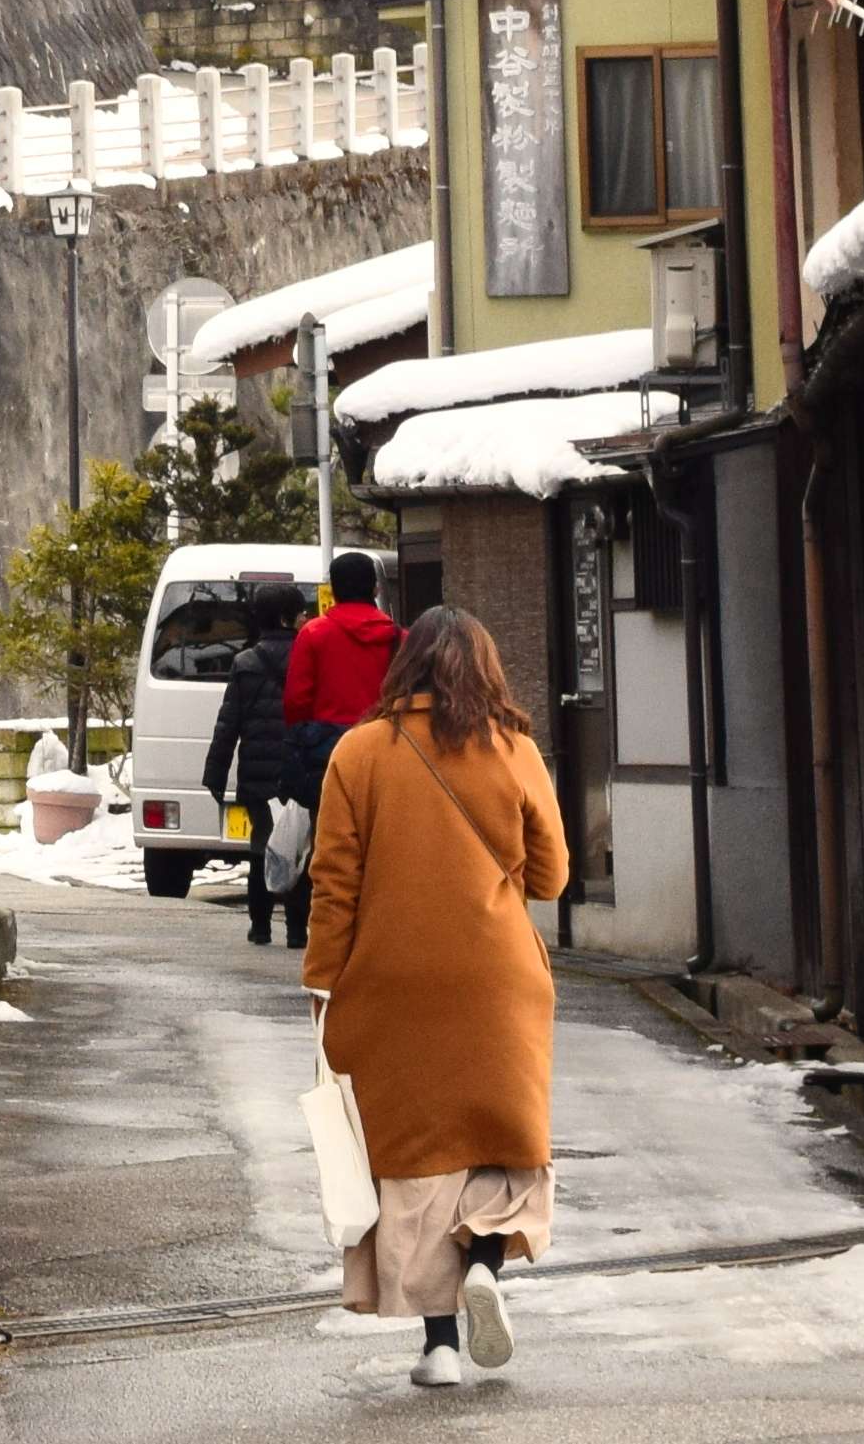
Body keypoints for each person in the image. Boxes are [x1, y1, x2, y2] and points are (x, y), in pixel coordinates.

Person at [298, 601, 569, 1391]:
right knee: (505, 1145)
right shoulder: (513, 749)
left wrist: (321, 981)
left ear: (404, 666)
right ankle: (486, 1262)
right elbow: (551, 875)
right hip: (499, 983)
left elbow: (334, 884)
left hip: (391, 988)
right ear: (485, 670)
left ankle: (441, 1345)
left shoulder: (358, 752)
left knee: (422, 1167)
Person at [248, 550, 399, 949]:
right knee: (377, 841)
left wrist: (304, 743)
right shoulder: (396, 637)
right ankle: (374, 925)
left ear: (332, 590)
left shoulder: (313, 635)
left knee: (322, 841)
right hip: (383, 750)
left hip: (325, 754)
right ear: (375, 587)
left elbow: (296, 702)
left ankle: (302, 926)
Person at [194, 571, 302, 909]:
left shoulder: (245, 662)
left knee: (261, 843)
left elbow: (228, 724)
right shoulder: (307, 657)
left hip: (256, 774)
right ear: (286, 617)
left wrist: (215, 774)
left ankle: (259, 923)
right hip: (298, 769)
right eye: (300, 613)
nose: (304, 619)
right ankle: (297, 928)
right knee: (298, 844)